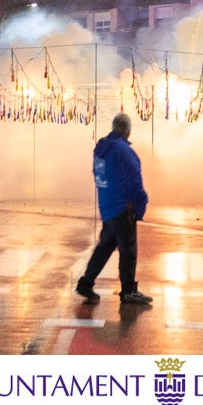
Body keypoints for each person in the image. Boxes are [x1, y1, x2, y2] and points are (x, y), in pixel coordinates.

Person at [74, 112, 152, 305]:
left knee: (105, 247)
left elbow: (98, 175)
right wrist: (141, 204)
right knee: (128, 251)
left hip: (107, 207)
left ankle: (85, 283)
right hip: (122, 208)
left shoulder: (101, 150)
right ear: (127, 130)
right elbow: (135, 181)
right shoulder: (123, 151)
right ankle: (128, 292)